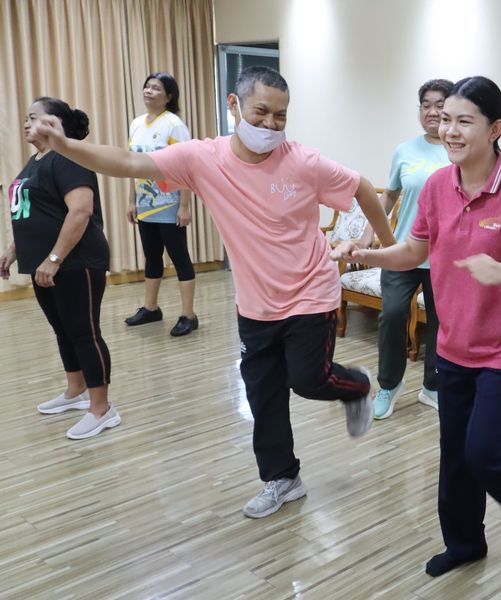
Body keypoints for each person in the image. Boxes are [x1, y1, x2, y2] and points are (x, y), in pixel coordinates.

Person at [32, 66, 396, 518]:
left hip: (310, 292)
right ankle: (283, 478)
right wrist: (65, 146)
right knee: (263, 394)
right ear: (234, 105)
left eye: (280, 116)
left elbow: (361, 187)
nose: (270, 124)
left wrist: (385, 245)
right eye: (261, 112)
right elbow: (128, 164)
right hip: (255, 302)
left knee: (308, 379)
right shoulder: (203, 158)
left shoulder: (304, 162)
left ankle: (357, 385)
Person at [332, 76, 501, 577]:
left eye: (465, 121)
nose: (450, 131)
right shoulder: (439, 185)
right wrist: (364, 254)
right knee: (456, 455)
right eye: (446, 120)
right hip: (453, 344)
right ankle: (464, 543)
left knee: (486, 453)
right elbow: (413, 251)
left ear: (495, 128)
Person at [0, 97, 120, 440]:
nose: (26, 123)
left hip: (76, 261)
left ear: (56, 124)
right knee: (63, 330)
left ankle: (102, 409)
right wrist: (13, 251)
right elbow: (35, 211)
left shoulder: (69, 157)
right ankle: (76, 391)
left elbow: (80, 210)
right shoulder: (37, 160)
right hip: (43, 263)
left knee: (84, 332)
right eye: (26, 118)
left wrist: (54, 259)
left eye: (34, 117)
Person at [357, 78, 453, 419]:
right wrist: (367, 234)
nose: (432, 111)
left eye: (440, 105)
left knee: (442, 323)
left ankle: (433, 387)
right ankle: (389, 385)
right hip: (403, 251)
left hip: (445, 256)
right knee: (393, 315)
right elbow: (389, 196)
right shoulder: (405, 151)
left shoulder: (460, 150)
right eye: (426, 105)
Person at [124, 72, 199, 336]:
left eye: (156, 88)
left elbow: (187, 167)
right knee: (152, 256)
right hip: (145, 202)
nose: (149, 91)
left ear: (168, 96)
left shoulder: (174, 124)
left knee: (179, 257)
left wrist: (184, 206)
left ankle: (188, 315)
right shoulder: (136, 123)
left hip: (169, 202)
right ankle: (151, 308)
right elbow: (132, 165)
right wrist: (132, 200)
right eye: (147, 87)